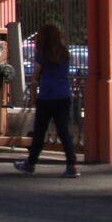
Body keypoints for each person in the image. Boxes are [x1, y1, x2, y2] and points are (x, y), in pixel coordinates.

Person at [14, 23, 80, 177]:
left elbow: (36, 76)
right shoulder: (64, 53)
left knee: (39, 131)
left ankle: (30, 163)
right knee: (64, 132)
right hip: (63, 95)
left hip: (46, 96)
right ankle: (72, 164)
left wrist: (32, 95)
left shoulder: (41, 54)